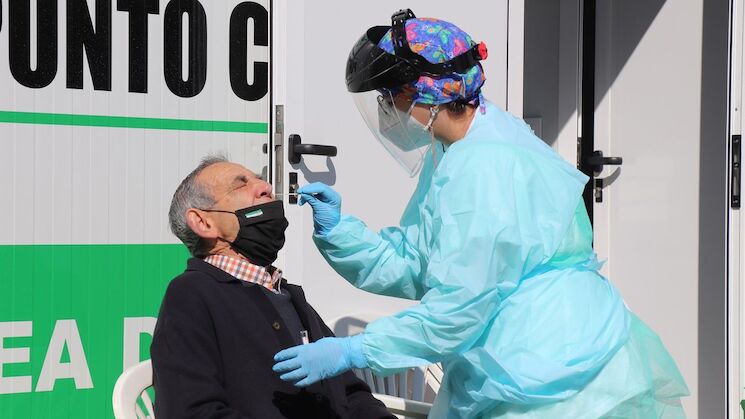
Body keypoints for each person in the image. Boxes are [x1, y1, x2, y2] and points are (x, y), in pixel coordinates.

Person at [272, 9, 689, 418]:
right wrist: (341, 234)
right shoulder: (462, 145)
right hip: (522, 354)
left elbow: (457, 307)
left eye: (389, 97)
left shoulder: (483, 168)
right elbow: (421, 262)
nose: (387, 110)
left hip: (549, 374)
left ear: (421, 93)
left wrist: (355, 350)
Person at [150, 155, 395, 419]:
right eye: (240, 184)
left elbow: (350, 393)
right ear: (204, 223)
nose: (265, 187)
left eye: (259, 178)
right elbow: (191, 411)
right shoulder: (191, 294)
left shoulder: (286, 293)